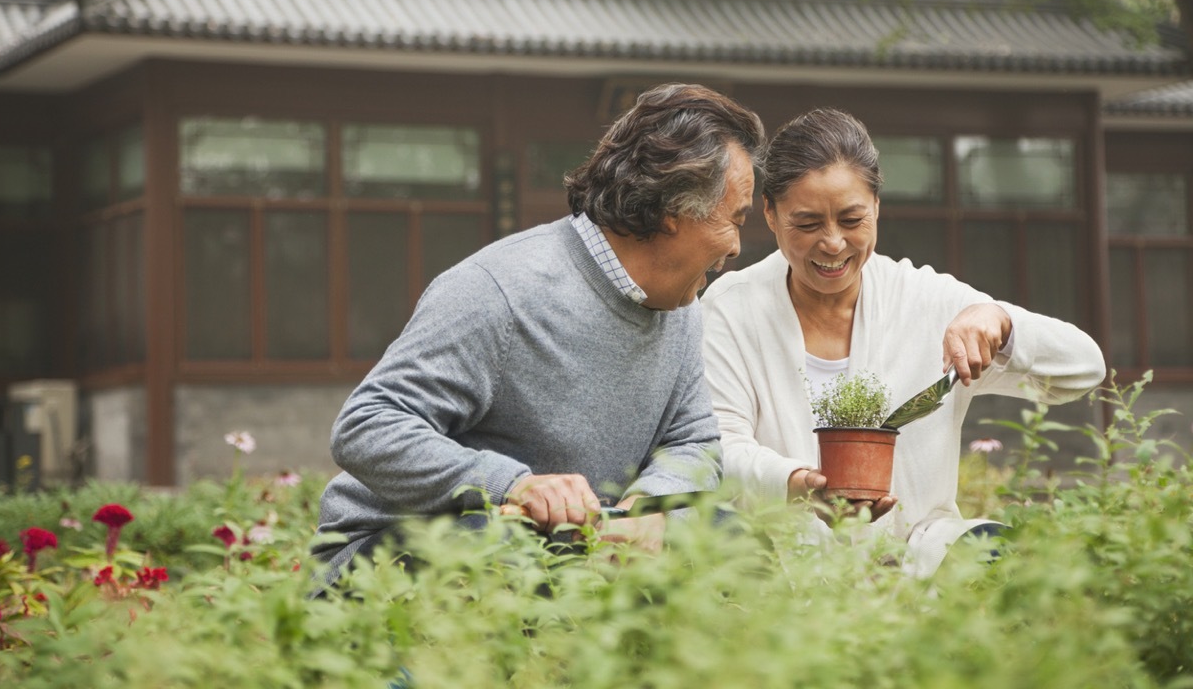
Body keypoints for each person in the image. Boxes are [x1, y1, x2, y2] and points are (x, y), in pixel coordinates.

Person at [312, 83, 765, 584]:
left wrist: (651, 507)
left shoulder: (680, 306)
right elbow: (366, 427)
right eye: (735, 220)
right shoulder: (500, 290)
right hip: (395, 550)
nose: (737, 247)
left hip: (572, 548)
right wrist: (514, 486)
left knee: (733, 541)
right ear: (672, 212)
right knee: (515, 550)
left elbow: (694, 439)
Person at [700, 107, 1106, 577]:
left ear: (876, 206)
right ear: (769, 214)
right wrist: (798, 484)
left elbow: (1085, 368)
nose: (832, 244)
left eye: (852, 219)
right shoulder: (733, 308)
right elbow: (717, 448)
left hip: (917, 558)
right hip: (781, 558)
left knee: (998, 553)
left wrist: (1002, 322)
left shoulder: (927, 302)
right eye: (808, 224)